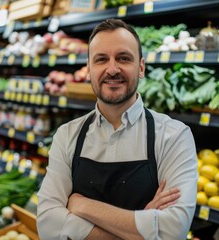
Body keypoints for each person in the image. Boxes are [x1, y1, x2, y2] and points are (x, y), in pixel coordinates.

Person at [37, 18, 198, 240]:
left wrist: (81, 205)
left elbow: (172, 231)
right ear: (89, 69)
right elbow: (47, 224)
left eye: (123, 58)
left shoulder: (174, 136)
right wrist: (142, 226)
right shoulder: (67, 136)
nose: (112, 69)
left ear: (141, 67)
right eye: (101, 59)